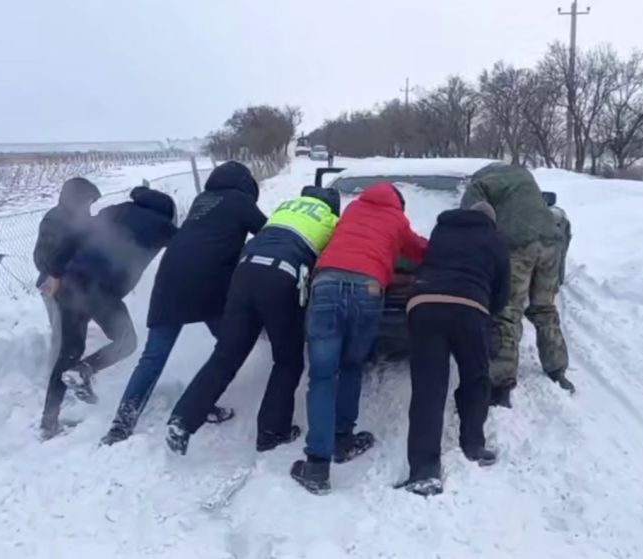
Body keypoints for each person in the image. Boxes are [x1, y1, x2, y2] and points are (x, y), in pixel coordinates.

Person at [165, 186, 342, 455]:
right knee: (287, 359)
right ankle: (272, 432)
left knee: (225, 355)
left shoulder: (285, 208)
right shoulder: (331, 220)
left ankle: (183, 420)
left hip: (244, 273)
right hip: (281, 277)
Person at [100, 161, 267, 445]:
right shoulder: (239, 200)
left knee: (153, 357)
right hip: (208, 283)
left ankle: (121, 424)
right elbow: (269, 233)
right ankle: (196, 407)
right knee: (228, 348)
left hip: (169, 282)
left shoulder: (204, 200)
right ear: (245, 185)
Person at [290, 182, 428, 495]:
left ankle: (316, 467)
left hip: (326, 286)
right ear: (399, 204)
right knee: (352, 365)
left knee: (322, 376)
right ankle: (343, 439)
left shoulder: (352, 211)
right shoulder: (397, 220)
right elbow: (420, 250)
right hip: (369, 289)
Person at [40, 185, 177, 439]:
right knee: (127, 342)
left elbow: (72, 238)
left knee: (68, 352)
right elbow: (189, 251)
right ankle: (84, 371)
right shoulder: (162, 225)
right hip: (101, 290)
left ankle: (48, 423)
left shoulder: (114, 211)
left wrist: (55, 273)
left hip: (70, 284)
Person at [395, 201, 509, 496]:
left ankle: (424, 471)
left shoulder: (440, 231)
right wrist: (488, 312)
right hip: (470, 309)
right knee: (475, 378)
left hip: (424, 307)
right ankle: (473, 445)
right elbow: (503, 291)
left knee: (428, 389)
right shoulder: (494, 240)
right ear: (491, 222)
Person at [461, 163, 573, 409]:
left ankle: (500, 385)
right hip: (551, 242)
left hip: (517, 244)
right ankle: (557, 369)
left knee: (508, 310)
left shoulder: (481, 183)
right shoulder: (525, 177)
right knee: (544, 307)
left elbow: (470, 216)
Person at [32, 177, 102, 364]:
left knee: (75, 338)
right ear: (76, 199)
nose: (90, 207)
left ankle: (69, 377)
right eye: (88, 202)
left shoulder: (82, 219)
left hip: (77, 289)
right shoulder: (54, 221)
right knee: (63, 341)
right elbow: (42, 259)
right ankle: (56, 383)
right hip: (54, 287)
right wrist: (59, 272)